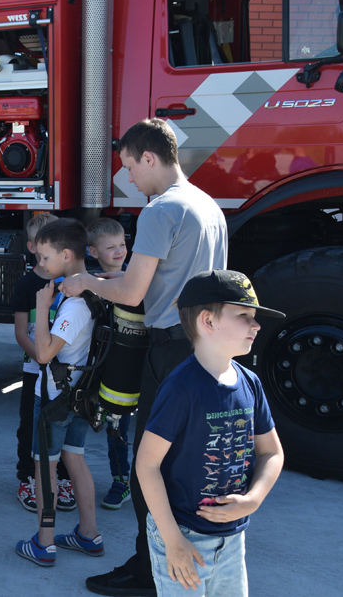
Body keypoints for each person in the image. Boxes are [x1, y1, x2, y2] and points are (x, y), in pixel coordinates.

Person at [60, 118, 228, 596]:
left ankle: (148, 573)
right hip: (206, 349)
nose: (129, 178)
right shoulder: (207, 205)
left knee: (149, 464)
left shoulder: (160, 210)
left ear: (149, 158)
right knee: (187, 464)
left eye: (130, 167)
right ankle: (176, 564)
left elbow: (133, 293)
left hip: (171, 350)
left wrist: (87, 281)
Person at [137, 270, 284, 595]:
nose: (256, 325)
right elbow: (147, 465)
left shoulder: (250, 384)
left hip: (233, 539)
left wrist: (253, 500)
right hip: (183, 535)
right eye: (244, 316)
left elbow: (272, 452)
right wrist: (173, 541)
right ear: (208, 321)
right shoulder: (181, 388)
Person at [15, 218, 104, 568]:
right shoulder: (93, 293)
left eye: (47, 258)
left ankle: (45, 542)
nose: (42, 265)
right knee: (74, 458)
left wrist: (41, 305)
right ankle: (88, 533)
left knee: (44, 468)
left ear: (67, 256)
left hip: (55, 398)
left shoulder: (73, 305)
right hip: (81, 395)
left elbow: (43, 354)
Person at [10, 213, 74, 514]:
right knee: (30, 426)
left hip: (63, 375)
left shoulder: (70, 284)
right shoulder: (26, 285)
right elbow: (21, 332)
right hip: (35, 370)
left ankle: (60, 478)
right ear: (33, 246)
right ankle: (27, 479)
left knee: (60, 427)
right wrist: (40, 356)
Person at [86, 217, 135, 510]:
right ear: (93, 253)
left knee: (122, 425)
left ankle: (125, 481)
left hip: (132, 366)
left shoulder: (136, 281)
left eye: (122, 245)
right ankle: (120, 479)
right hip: (101, 366)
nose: (119, 252)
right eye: (110, 247)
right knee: (111, 425)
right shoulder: (89, 284)